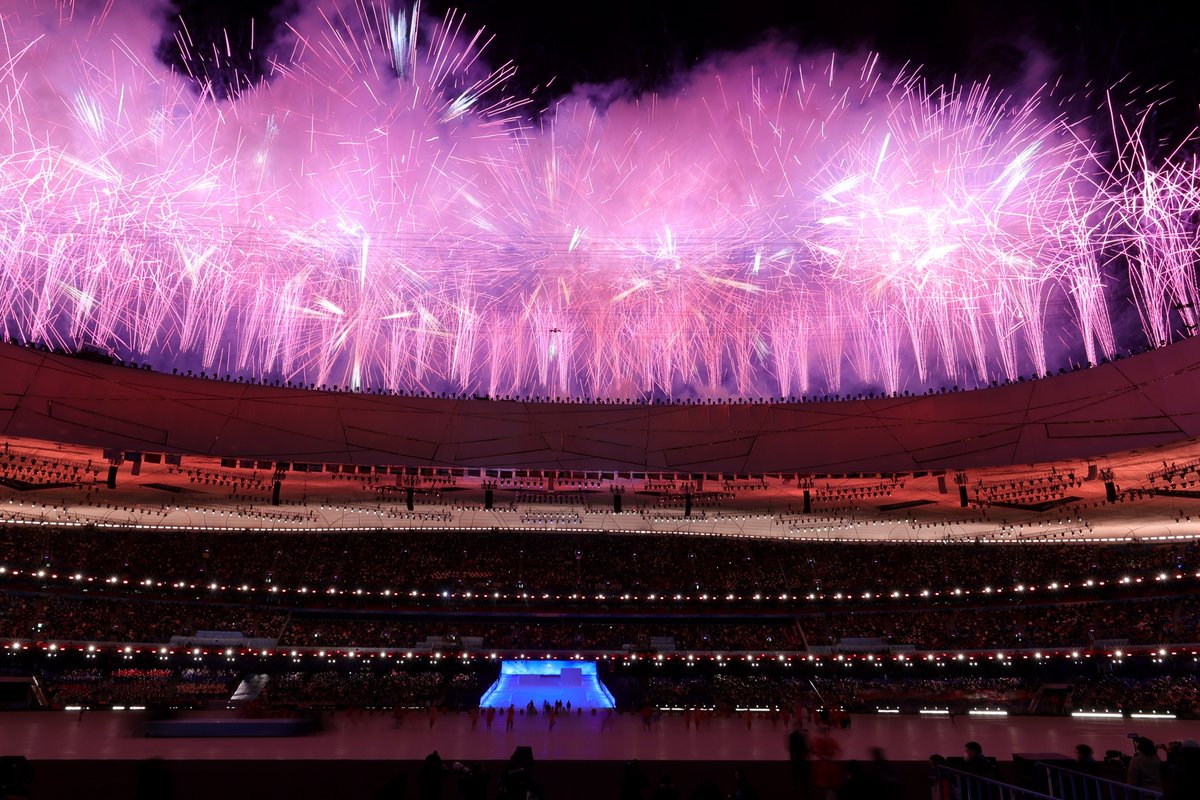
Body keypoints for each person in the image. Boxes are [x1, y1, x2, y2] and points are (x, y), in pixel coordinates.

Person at [788, 725, 810, 798]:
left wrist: (791, 756)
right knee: (803, 771)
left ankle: (796, 785)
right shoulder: (801, 735)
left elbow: (791, 747)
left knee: (796, 771)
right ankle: (804, 786)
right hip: (800, 755)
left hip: (797, 756)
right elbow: (803, 746)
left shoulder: (793, 735)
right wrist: (807, 753)